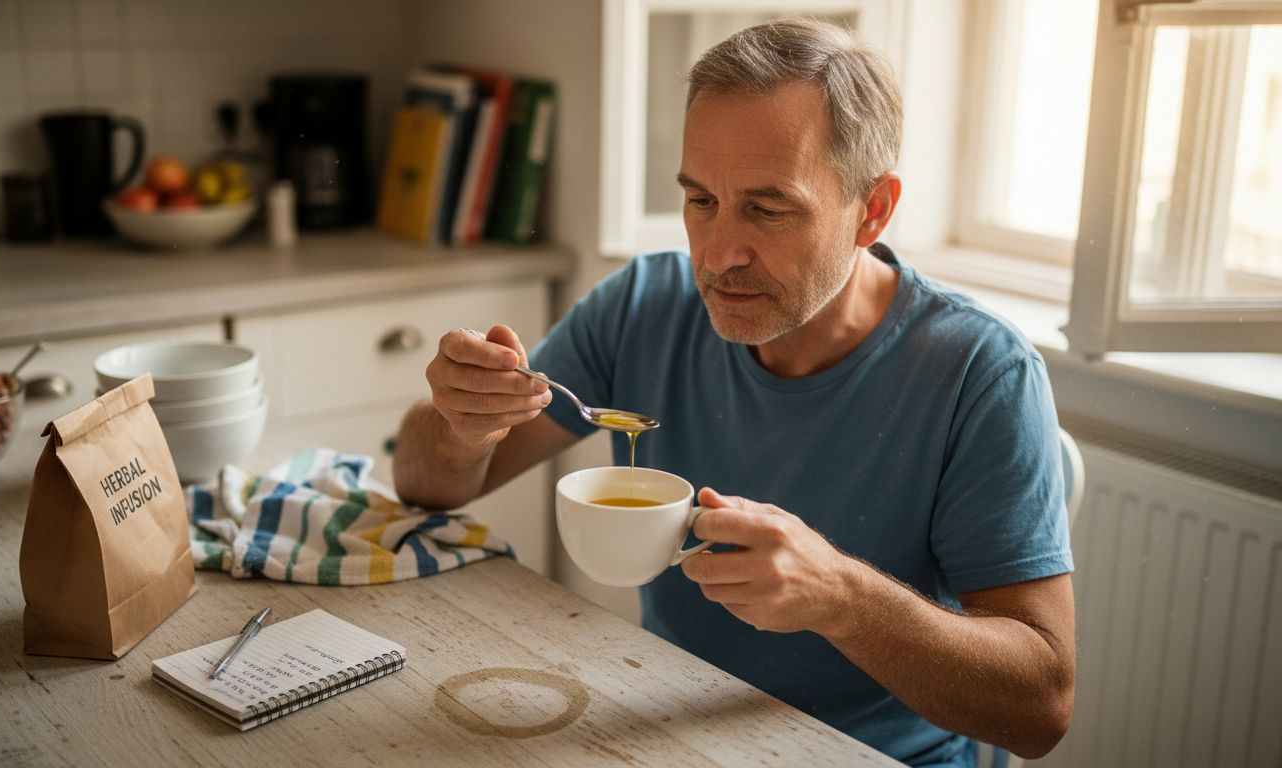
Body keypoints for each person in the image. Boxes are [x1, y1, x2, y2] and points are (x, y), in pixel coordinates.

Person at [393, 18, 1075, 767]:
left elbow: (1040, 709)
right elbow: (428, 488)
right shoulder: (641, 307)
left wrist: (841, 598)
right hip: (662, 732)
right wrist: (460, 424)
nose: (717, 256)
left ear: (872, 210)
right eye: (700, 201)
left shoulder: (980, 371)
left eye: (767, 208)